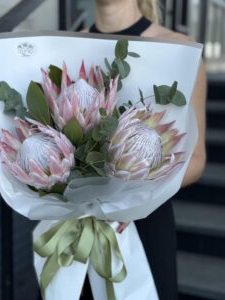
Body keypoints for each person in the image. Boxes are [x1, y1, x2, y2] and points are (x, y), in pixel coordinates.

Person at [83, 0, 207, 299]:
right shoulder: (62, 46)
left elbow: (197, 159)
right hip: (76, 228)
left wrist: (133, 196)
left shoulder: (180, 49)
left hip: (144, 223)